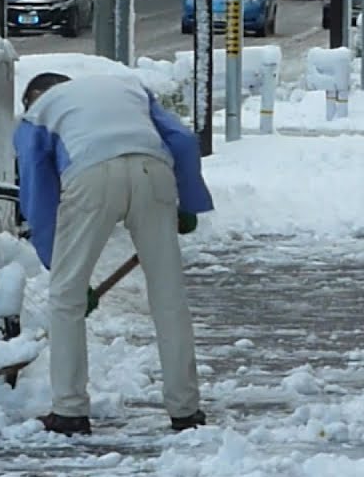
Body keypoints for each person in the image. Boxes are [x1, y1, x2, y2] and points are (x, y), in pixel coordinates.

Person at [14, 73, 214, 436]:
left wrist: (57, 265)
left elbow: (38, 197)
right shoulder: (129, 86)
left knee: (65, 300)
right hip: (152, 170)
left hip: (91, 176)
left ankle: (70, 411)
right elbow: (182, 140)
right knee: (169, 295)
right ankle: (186, 410)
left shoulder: (36, 115)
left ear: (31, 98)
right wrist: (189, 203)